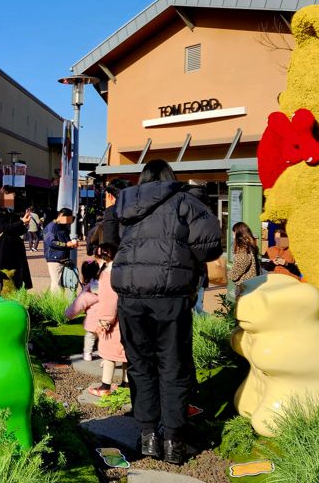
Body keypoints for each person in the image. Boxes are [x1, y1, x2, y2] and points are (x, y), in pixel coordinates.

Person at [112, 159, 222, 465]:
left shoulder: (125, 203)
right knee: (172, 364)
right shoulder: (184, 201)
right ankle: (173, 440)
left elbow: (107, 238)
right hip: (170, 295)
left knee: (140, 364)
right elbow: (210, 245)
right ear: (170, 177)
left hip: (130, 295)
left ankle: (148, 436)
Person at [89, 243, 128, 396]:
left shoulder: (107, 275)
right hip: (126, 318)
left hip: (112, 323)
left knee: (109, 355)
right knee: (126, 355)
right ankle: (127, 383)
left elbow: (108, 300)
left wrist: (105, 320)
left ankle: (105, 386)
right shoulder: (124, 270)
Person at [0, 187, 33, 289]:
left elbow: (18, 230)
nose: (13, 199)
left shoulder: (10, 211)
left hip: (16, 247)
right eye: (11, 197)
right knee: (4, 275)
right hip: (4, 247)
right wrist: (21, 222)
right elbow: (4, 227)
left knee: (18, 275)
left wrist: (25, 224)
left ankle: (18, 294)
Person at [64, 259, 101, 361]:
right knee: (104, 338)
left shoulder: (87, 291)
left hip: (93, 320)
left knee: (90, 337)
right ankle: (104, 355)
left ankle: (87, 354)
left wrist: (67, 314)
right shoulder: (105, 285)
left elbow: (77, 305)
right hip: (107, 318)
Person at [43, 208, 77, 294]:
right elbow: (51, 242)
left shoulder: (63, 227)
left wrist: (71, 244)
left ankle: (57, 303)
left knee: (61, 284)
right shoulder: (51, 226)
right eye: (67, 220)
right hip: (54, 258)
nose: (68, 223)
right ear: (60, 215)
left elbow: (67, 241)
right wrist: (66, 245)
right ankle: (54, 304)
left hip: (63, 258)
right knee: (56, 284)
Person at [228, 221, 261, 301]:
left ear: (238, 233)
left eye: (233, 232)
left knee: (242, 309)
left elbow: (241, 265)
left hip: (244, 285)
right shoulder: (250, 245)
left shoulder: (242, 248)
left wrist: (230, 275)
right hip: (251, 283)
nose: (232, 234)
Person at [101, 179, 131, 248]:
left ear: (111, 196)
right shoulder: (141, 207)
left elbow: (109, 240)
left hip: (122, 253)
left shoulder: (111, 211)